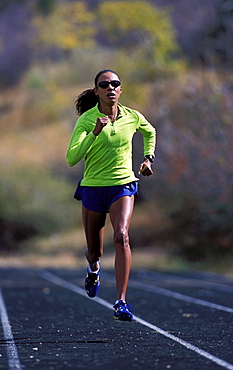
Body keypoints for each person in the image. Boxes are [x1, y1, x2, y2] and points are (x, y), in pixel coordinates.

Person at [66, 69, 156, 322]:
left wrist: (148, 157)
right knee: (95, 252)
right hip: (93, 188)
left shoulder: (132, 116)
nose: (110, 88)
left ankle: (121, 302)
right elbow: (72, 158)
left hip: (122, 185)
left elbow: (150, 132)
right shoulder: (86, 120)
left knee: (122, 236)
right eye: (104, 84)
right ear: (96, 91)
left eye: (115, 84)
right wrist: (94, 133)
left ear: (120, 88)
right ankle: (93, 270)